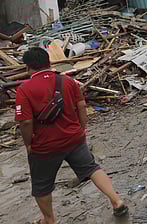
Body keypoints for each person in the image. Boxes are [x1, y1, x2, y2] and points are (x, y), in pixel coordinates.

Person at [15, 47, 128, 224]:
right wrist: (82, 129)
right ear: (49, 62)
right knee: (91, 168)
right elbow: (82, 106)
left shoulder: (24, 89)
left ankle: (49, 219)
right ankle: (117, 201)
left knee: (41, 186)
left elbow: (26, 122)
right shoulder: (67, 81)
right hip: (74, 139)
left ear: (28, 67)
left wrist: (28, 144)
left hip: (45, 146)